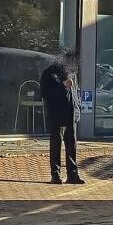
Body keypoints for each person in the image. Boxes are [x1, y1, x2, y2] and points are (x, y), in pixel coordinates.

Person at [41, 49, 84, 185]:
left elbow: (76, 92)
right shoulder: (50, 74)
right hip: (57, 114)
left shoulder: (72, 75)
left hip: (72, 115)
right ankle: (55, 175)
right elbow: (46, 94)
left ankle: (72, 174)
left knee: (72, 145)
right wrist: (62, 87)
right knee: (56, 145)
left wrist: (78, 107)